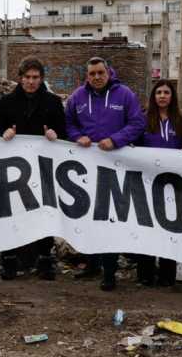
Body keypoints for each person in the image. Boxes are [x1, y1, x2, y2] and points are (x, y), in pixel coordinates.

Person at [64, 57, 146, 291]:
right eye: (92, 74)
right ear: (87, 76)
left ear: (109, 72)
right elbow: (68, 123)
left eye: (100, 72)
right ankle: (92, 264)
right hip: (88, 167)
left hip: (116, 166)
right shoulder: (77, 97)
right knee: (89, 216)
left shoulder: (125, 95)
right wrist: (77, 136)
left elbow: (137, 123)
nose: (97, 77)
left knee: (110, 218)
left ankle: (109, 272)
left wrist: (115, 140)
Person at [0, 58, 66, 281]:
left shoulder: (53, 102)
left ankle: (44, 259)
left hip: (43, 167)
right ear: (20, 78)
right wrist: (4, 133)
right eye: (27, 77)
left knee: (44, 211)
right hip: (13, 169)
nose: (31, 81)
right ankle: (9, 259)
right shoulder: (7, 102)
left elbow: (64, 133)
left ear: (41, 79)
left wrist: (55, 135)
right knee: (11, 211)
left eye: (35, 77)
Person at [135, 80, 182, 287]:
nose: (162, 96)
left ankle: (167, 274)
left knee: (170, 228)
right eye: (158, 92)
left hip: (173, 184)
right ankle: (145, 274)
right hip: (147, 182)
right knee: (147, 227)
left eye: (166, 92)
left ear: (172, 96)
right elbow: (134, 145)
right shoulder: (143, 119)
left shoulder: (181, 120)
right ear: (153, 96)